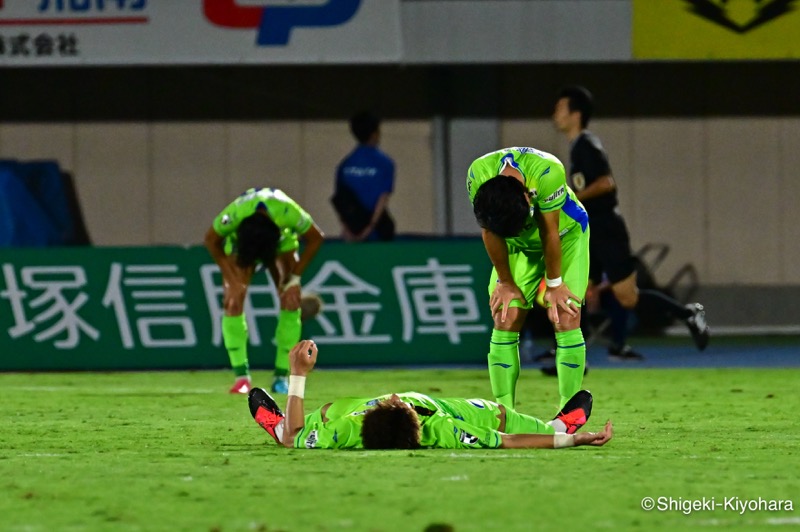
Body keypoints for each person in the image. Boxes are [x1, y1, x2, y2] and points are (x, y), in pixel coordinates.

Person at [552, 85, 709, 361]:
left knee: (627, 297)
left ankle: (688, 313)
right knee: (578, 288)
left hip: (607, 228)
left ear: (576, 114)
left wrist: (571, 197)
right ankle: (574, 355)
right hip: (591, 228)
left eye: (560, 108)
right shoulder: (577, 147)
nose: (555, 114)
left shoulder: (587, 145)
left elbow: (606, 182)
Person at [248, 340, 613, 450]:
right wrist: (572, 439)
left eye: (390, 401)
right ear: (417, 419)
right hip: (443, 408)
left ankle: (274, 424)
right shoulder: (443, 427)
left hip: (347, 417)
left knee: (310, 422)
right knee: (496, 415)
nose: (393, 395)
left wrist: (298, 375)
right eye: (398, 402)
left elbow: (295, 442)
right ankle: (555, 425)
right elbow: (509, 440)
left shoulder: (346, 427)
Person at [467, 147, 590, 409]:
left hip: (565, 236)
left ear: (527, 196)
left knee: (566, 315)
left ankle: (567, 414)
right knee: (505, 315)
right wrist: (506, 283)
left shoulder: (547, 172)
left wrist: (555, 285)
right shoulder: (477, 175)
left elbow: (550, 233)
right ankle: (504, 412)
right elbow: (490, 232)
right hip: (518, 244)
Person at [204, 187, 324, 395]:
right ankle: (241, 378)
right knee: (233, 300)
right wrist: (231, 279)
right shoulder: (233, 215)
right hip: (241, 244)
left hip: (281, 242)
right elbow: (211, 240)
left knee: (290, 300)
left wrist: (294, 278)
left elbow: (316, 238)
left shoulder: (288, 212)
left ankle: (280, 376)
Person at [331, 111, 396, 242]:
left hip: (352, 232)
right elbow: (383, 199)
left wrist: (348, 230)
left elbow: (341, 201)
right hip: (377, 234)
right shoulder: (385, 163)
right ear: (374, 134)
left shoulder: (345, 165)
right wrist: (370, 228)